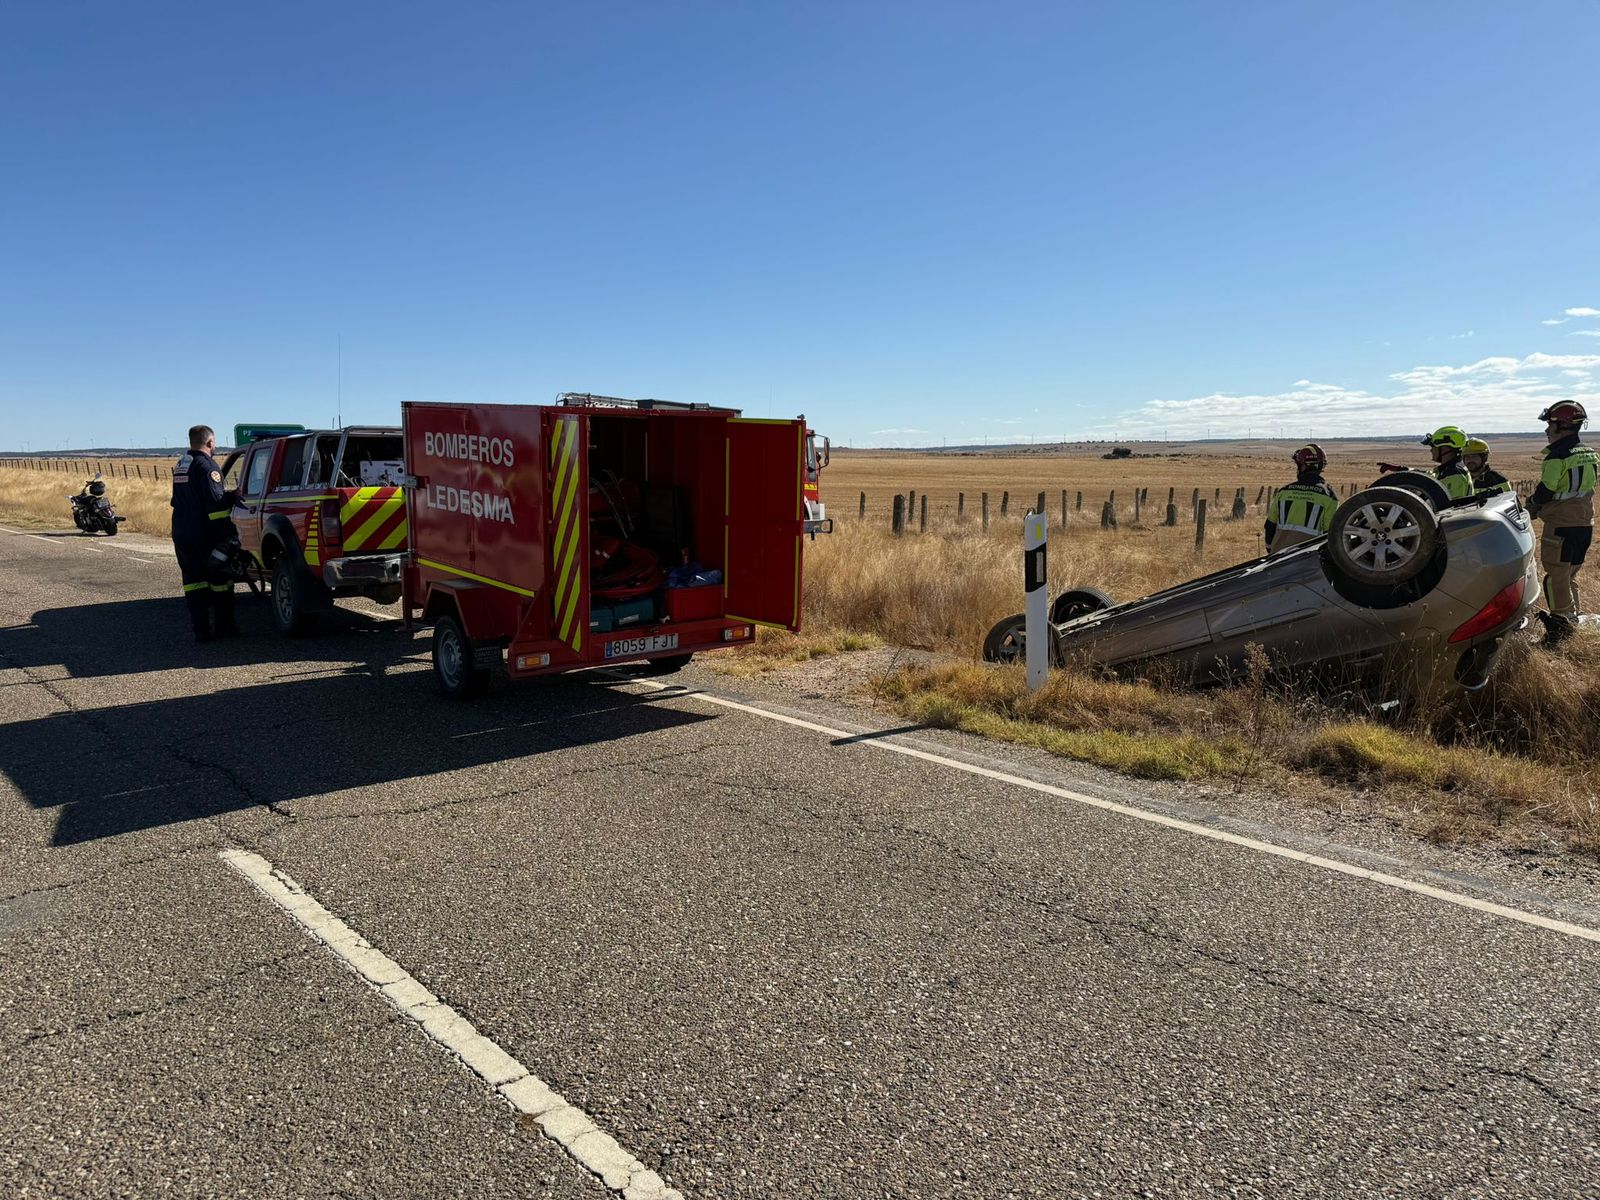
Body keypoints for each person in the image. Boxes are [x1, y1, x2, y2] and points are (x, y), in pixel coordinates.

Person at [1527, 401, 1596, 644]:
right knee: (1570, 575)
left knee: (1555, 576)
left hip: (1561, 524)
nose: (1547, 430)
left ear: (1564, 425)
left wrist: (1532, 503)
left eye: (1551, 425)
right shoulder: (1589, 453)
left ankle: (1559, 629)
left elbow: (1546, 491)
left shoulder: (1556, 457)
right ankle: (1573, 619)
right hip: (1585, 524)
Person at [171, 424, 239, 641]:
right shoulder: (207, 466)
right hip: (204, 533)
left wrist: (227, 496)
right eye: (215, 442)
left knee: (194, 581)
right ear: (210, 442)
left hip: (182, 531)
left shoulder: (183, 464)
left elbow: (192, 497)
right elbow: (216, 507)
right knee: (221, 579)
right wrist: (229, 535)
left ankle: (201, 631)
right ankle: (224, 629)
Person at [1264, 443, 1338, 553]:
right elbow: (1329, 535)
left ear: (1302, 466)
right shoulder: (1329, 497)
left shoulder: (1284, 492)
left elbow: (1270, 525)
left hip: (1277, 558)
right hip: (1308, 561)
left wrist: (1270, 549)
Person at [1378, 426, 1475, 501]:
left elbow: (1449, 509)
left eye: (1433, 447)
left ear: (1445, 448)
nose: (1431, 450)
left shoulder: (1455, 474)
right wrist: (1397, 469)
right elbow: (1426, 477)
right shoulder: (1448, 469)